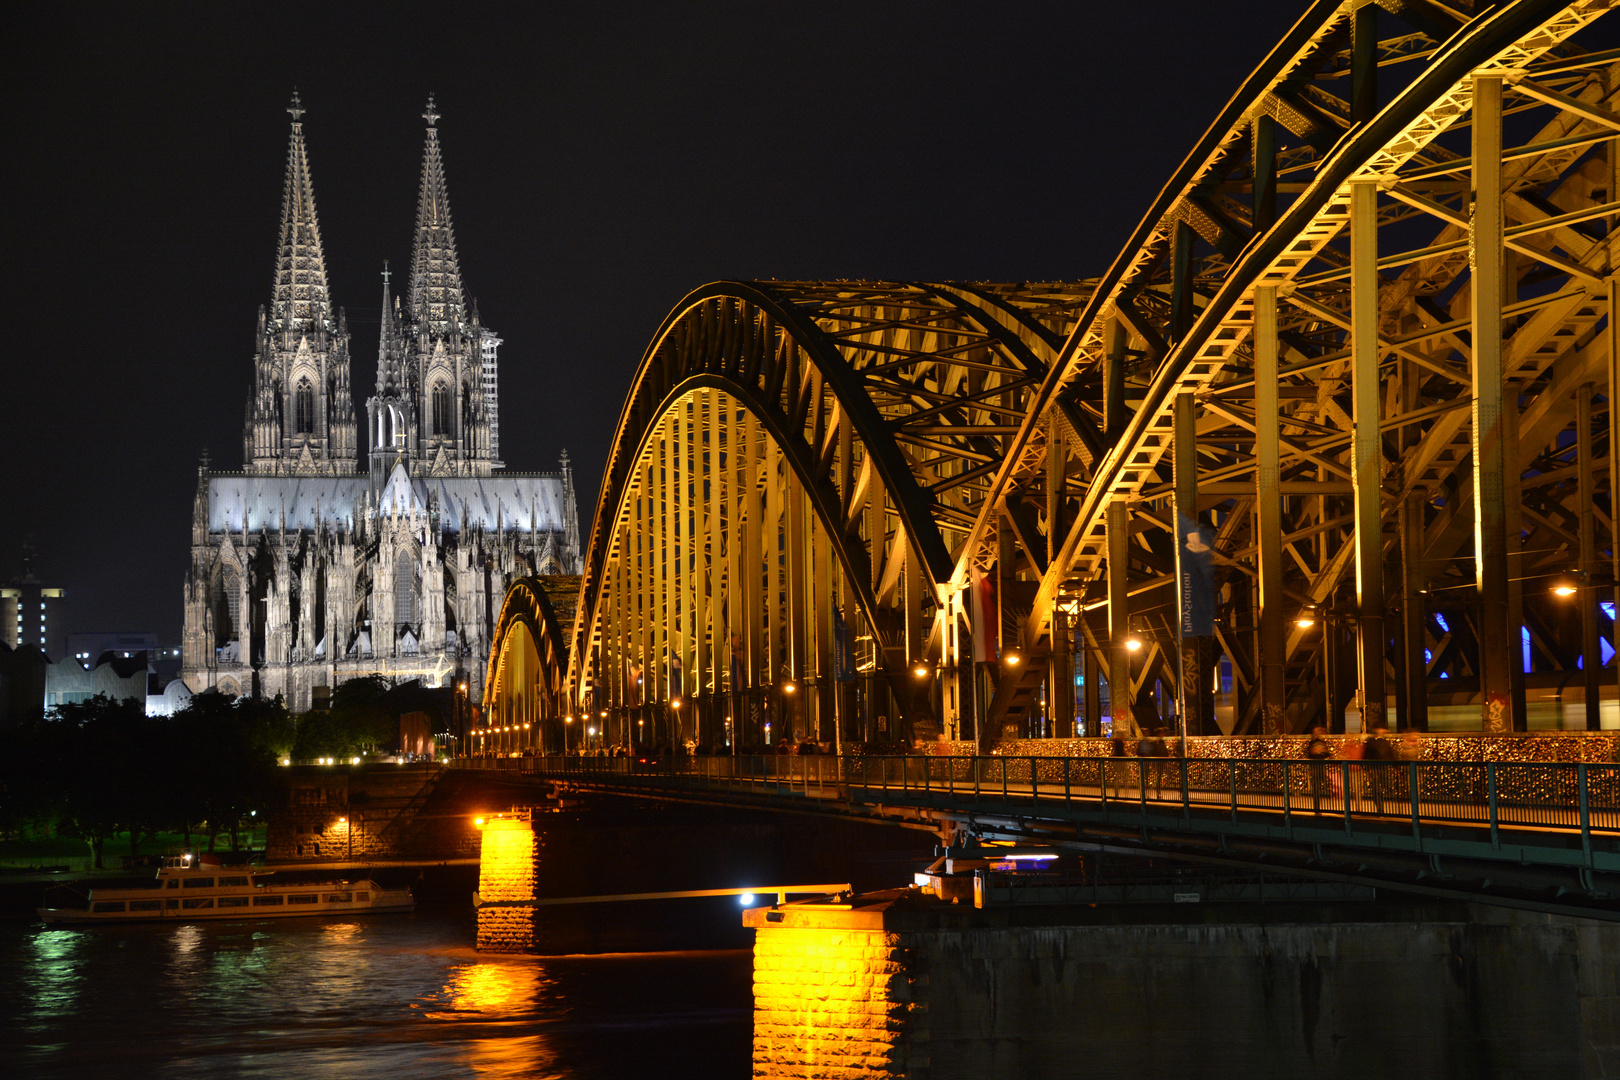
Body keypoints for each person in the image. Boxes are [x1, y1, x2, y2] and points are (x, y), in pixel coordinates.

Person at [1362, 724, 1396, 813]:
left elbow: (1390, 754)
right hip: (1375, 768)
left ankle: (1381, 807)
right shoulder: (1372, 742)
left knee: (1381, 787)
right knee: (1377, 788)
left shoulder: (1383, 742)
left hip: (1381, 767)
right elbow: (1367, 755)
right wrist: (1368, 769)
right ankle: (1380, 808)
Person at [1304, 726, 1333, 813]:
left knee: (1319, 785)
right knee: (1316, 786)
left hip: (1320, 766)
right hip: (1315, 766)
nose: (1317, 734)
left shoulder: (1320, 742)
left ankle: (1320, 805)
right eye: (1315, 732)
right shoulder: (1312, 743)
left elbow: (1326, 754)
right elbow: (1309, 754)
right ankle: (1317, 806)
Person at [1108, 730, 1130, 799]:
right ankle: (1125, 793)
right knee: (1124, 776)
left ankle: (1117, 793)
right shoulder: (1119, 742)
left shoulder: (1115, 742)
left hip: (1116, 760)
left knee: (1116, 777)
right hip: (1120, 761)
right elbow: (1121, 752)